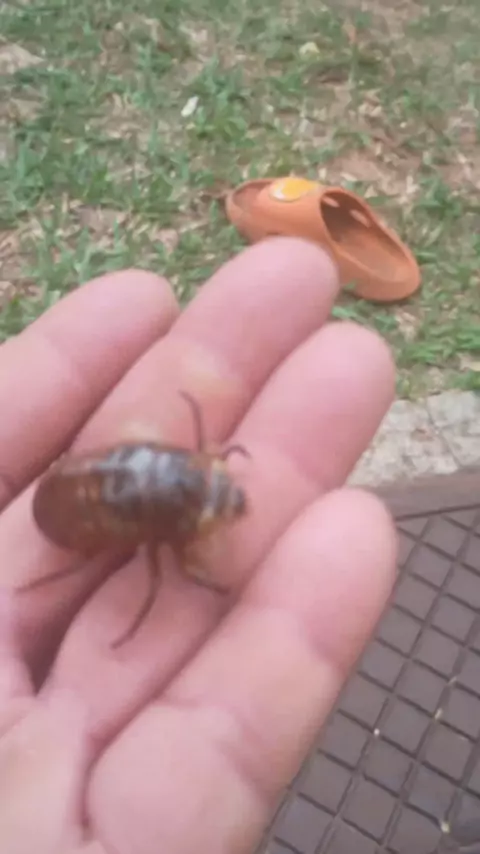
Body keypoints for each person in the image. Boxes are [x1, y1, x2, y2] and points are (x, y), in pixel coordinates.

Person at [0, 238, 397, 853]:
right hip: (81, 506)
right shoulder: (173, 521)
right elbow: (162, 575)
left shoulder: (182, 488)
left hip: (99, 495)